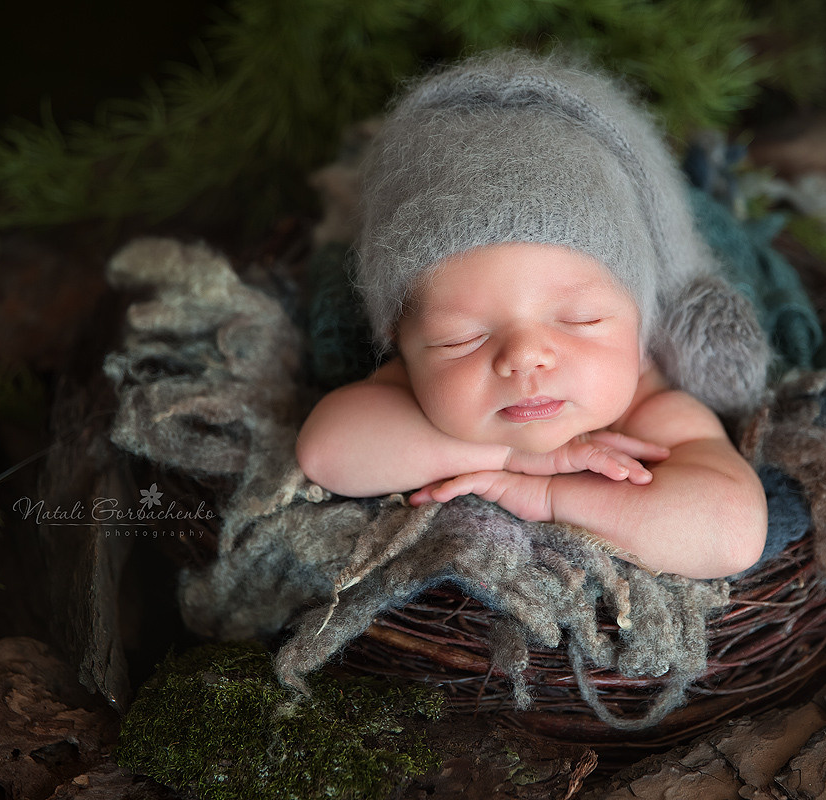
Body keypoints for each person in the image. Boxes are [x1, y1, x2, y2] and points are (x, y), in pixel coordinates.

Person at [296, 50, 769, 580]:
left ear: (644, 324)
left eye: (581, 319)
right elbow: (325, 451)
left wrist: (546, 493)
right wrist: (509, 459)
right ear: (398, 339)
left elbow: (729, 534)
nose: (524, 357)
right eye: (462, 338)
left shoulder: (649, 408)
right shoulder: (415, 385)